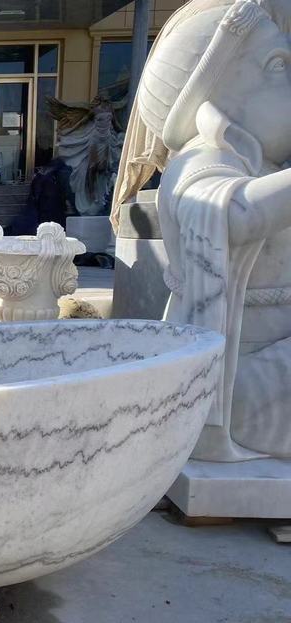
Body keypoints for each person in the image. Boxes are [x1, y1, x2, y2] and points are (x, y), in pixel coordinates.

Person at [111, 0, 291, 461]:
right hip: (242, 378)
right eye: (278, 65)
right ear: (214, 94)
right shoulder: (202, 160)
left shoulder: (259, 162)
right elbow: (232, 214)